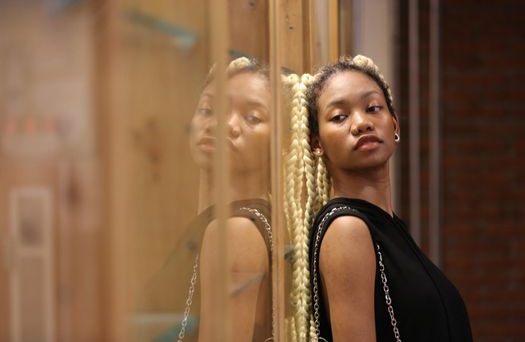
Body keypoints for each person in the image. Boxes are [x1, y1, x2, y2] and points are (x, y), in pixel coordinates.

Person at [287, 55, 473, 341]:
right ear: (317, 144)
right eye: (339, 116)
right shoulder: (347, 229)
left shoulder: (388, 226)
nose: (361, 123)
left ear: (395, 124)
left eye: (373, 108)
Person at [136, 57, 273, 342]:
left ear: (282, 141)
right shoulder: (215, 224)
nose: (222, 124)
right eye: (209, 109)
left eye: (252, 117)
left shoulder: (237, 230)